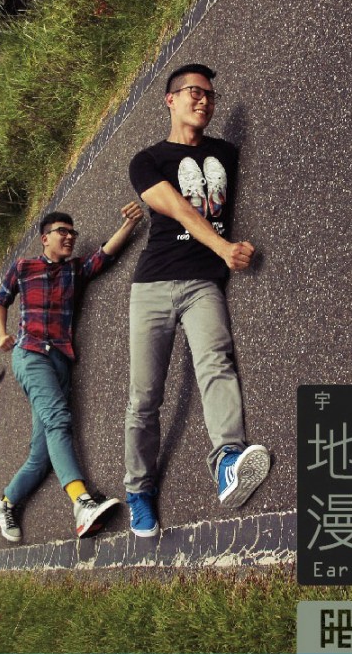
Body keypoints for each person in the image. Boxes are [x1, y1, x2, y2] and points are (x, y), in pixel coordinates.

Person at [124, 63, 271, 537]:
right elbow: (178, 208)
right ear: (170, 100)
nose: (204, 100)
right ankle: (138, 489)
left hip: (204, 284)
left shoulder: (226, 152)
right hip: (153, 286)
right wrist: (224, 248)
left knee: (216, 364)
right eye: (194, 91)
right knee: (145, 397)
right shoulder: (147, 160)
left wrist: (231, 249)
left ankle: (227, 461)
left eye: (209, 95)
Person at [0, 202, 143, 542]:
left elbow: (103, 256)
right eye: (63, 232)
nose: (70, 237)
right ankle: (82, 503)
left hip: (60, 360)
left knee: (42, 454)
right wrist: (1, 334)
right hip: (31, 355)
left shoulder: (75, 270)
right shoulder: (24, 267)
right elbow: (0, 300)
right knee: (59, 421)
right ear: (45, 238)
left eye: (73, 233)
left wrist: (128, 225)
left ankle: (6, 504)